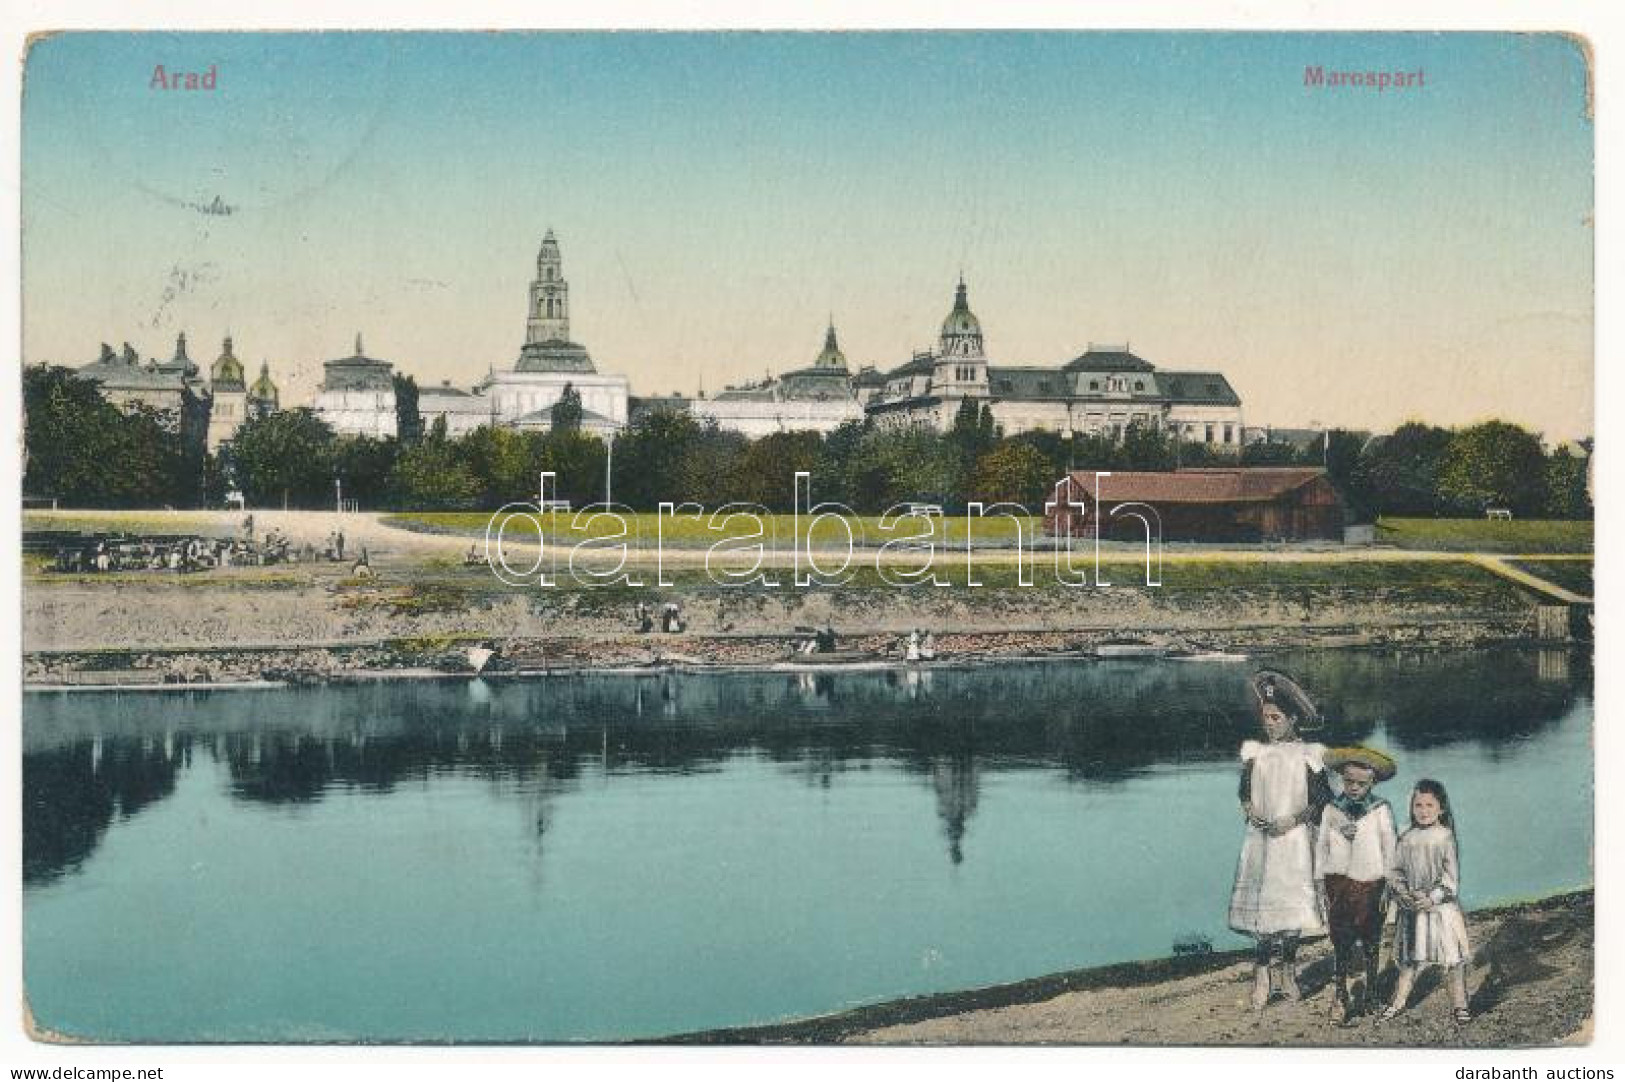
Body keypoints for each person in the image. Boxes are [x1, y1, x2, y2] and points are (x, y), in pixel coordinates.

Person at [1227, 670, 1331, 1009]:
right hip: (1261, 841)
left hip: (1293, 840)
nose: (1269, 724)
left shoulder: (1308, 755)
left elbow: (1322, 800)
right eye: (1266, 718)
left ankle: (1287, 971)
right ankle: (1262, 974)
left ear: (1293, 719)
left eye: (1276, 718)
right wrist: (1249, 809)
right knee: (1262, 909)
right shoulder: (1256, 753)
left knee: (1288, 909)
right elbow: (1244, 790)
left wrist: (1295, 818)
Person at [1316, 746, 1399, 1024]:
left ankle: (1371, 992)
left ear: (1372, 782)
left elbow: (1390, 848)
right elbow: (1321, 846)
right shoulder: (1331, 809)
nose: (1354, 788)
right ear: (1341, 778)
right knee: (1340, 938)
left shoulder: (1380, 810)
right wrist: (1318, 881)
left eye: (1361, 783)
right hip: (1337, 881)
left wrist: (1389, 883)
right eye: (1348, 781)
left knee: (1371, 938)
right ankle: (1340, 995)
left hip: (1371, 882)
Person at [1382, 779, 1473, 1024]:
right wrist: (1402, 893)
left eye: (1430, 805)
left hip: (1440, 910)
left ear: (1441, 808)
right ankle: (1398, 1002)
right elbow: (1395, 871)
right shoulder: (1406, 837)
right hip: (1412, 908)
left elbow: (1451, 878)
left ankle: (1460, 1004)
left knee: (1451, 959)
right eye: (1418, 805)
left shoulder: (1445, 837)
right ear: (1412, 808)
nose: (1423, 811)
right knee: (1409, 959)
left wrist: (1433, 896)